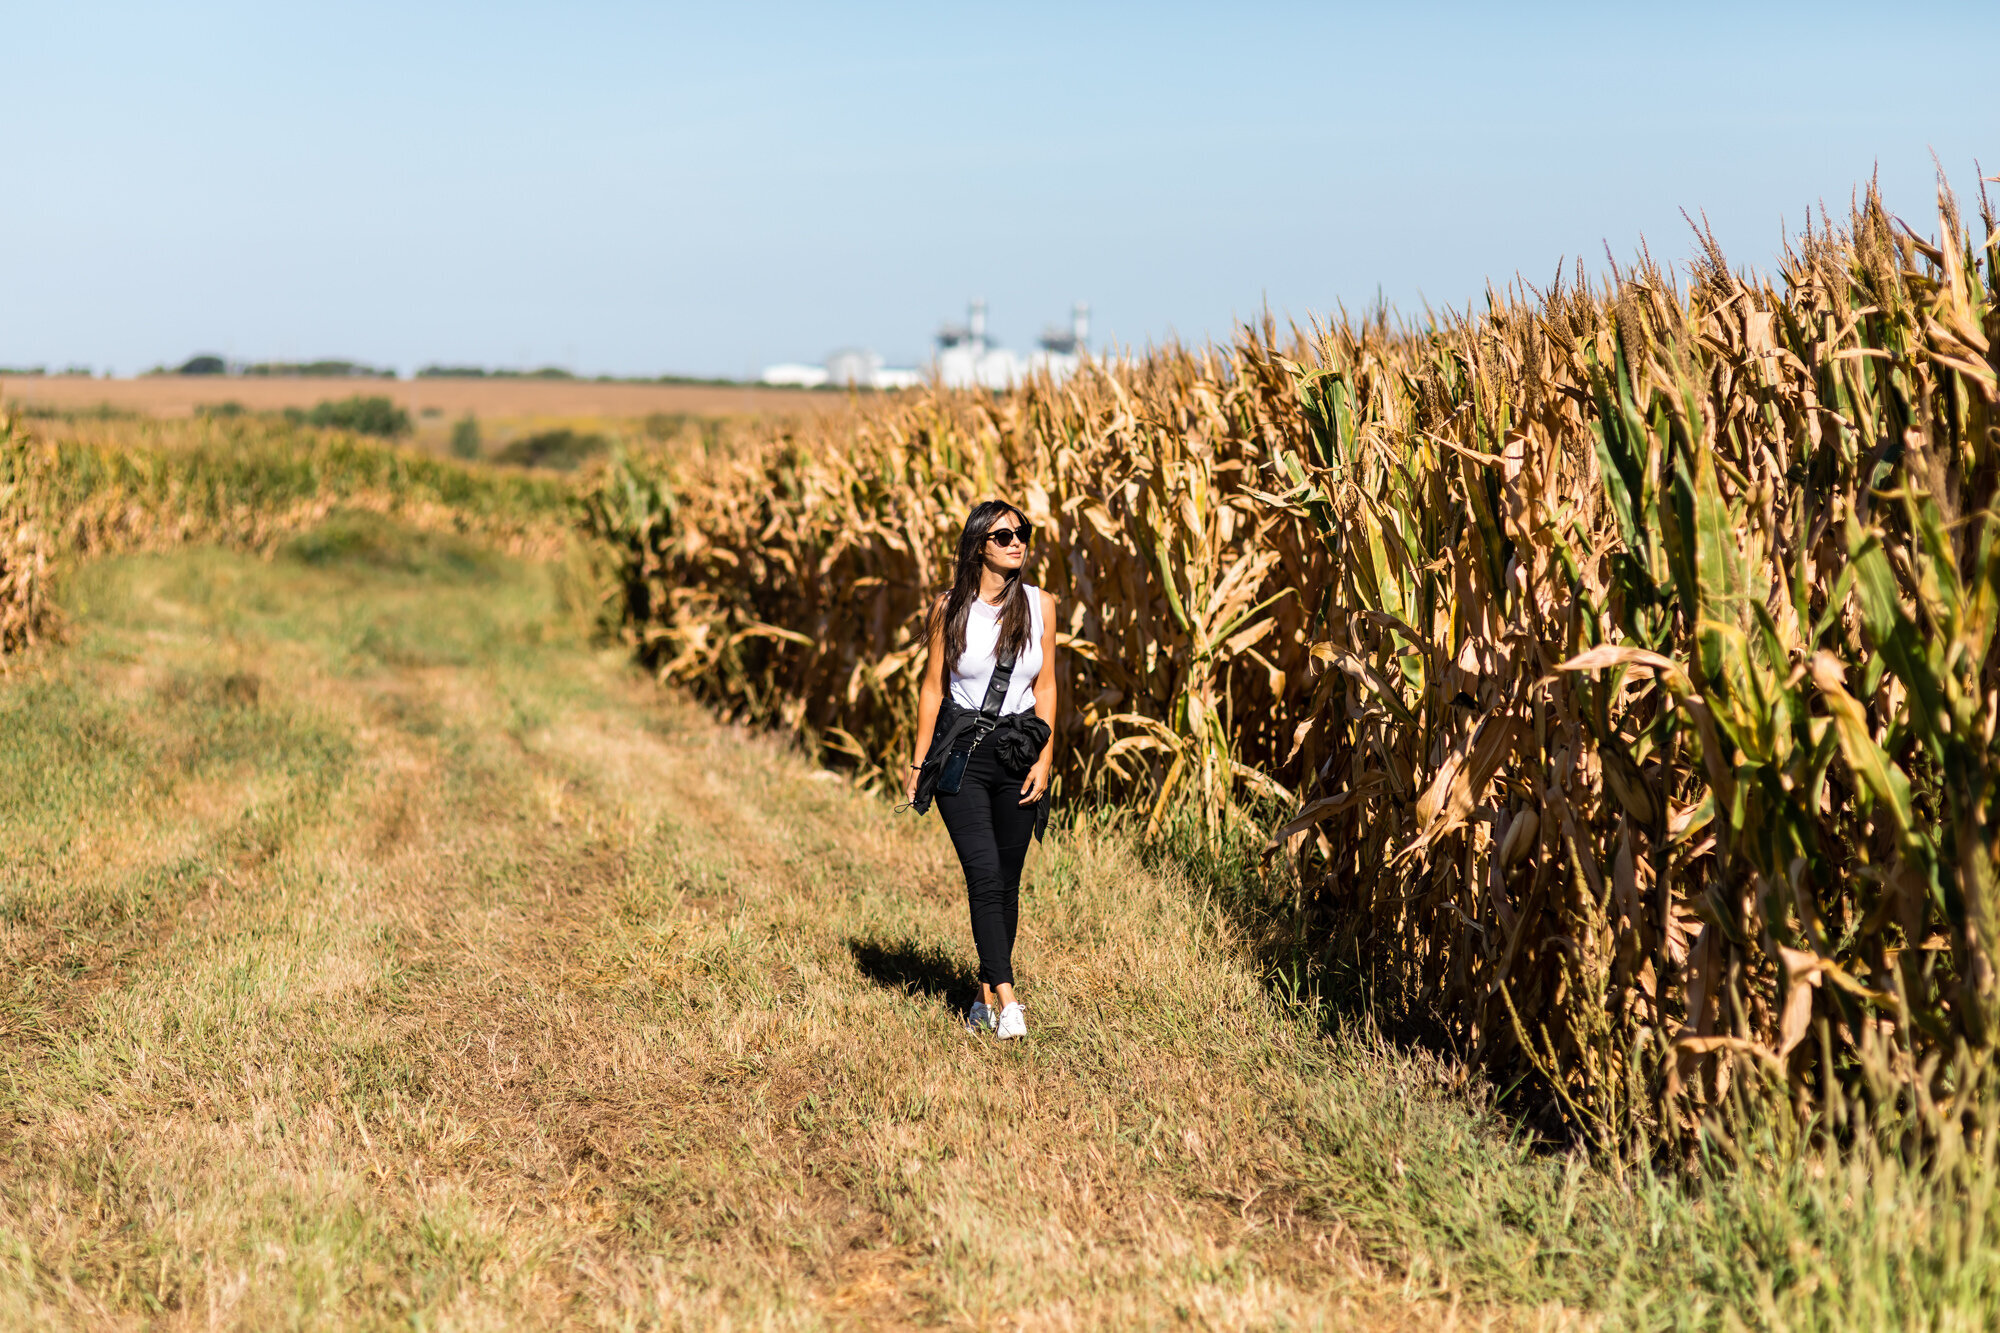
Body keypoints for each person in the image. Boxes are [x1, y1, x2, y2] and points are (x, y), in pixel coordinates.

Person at [904, 500, 1057, 1040]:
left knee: (1007, 884)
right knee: (985, 874)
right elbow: (932, 689)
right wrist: (919, 762)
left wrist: (1045, 758)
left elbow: (1046, 688)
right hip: (963, 757)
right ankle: (1009, 999)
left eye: (1023, 532)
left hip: (1019, 753)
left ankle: (980, 995)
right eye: (1004, 535)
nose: (1017, 541)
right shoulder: (949, 608)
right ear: (978, 546)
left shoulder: (1041, 606)